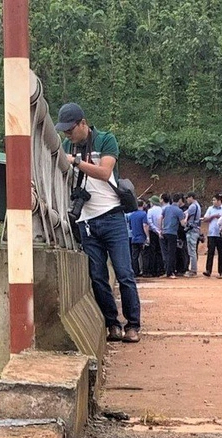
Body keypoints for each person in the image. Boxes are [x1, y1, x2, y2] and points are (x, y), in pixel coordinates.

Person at [57, 102, 141, 343]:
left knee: (124, 273)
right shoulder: (65, 146)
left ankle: (133, 325)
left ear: (83, 123)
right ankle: (112, 324)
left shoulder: (106, 139)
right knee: (97, 276)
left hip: (112, 216)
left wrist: (75, 161)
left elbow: (105, 172)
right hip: (86, 222)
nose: (68, 135)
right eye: (64, 132)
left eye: (71, 130)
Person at [158, 194, 185, 277]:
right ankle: (170, 272)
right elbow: (183, 224)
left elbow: (160, 218)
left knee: (165, 253)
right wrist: (186, 219)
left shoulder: (166, 208)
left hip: (164, 232)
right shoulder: (179, 210)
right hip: (172, 233)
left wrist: (160, 230)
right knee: (172, 253)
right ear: (179, 200)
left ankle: (166, 271)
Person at [182, 195, 202, 275]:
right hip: (195, 229)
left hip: (192, 230)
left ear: (191, 197)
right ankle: (193, 269)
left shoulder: (193, 206)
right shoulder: (197, 205)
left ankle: (193, 270)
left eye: (187, 198)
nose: (187, 200)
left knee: (191, 251)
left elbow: (185, 214)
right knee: (192, 250)